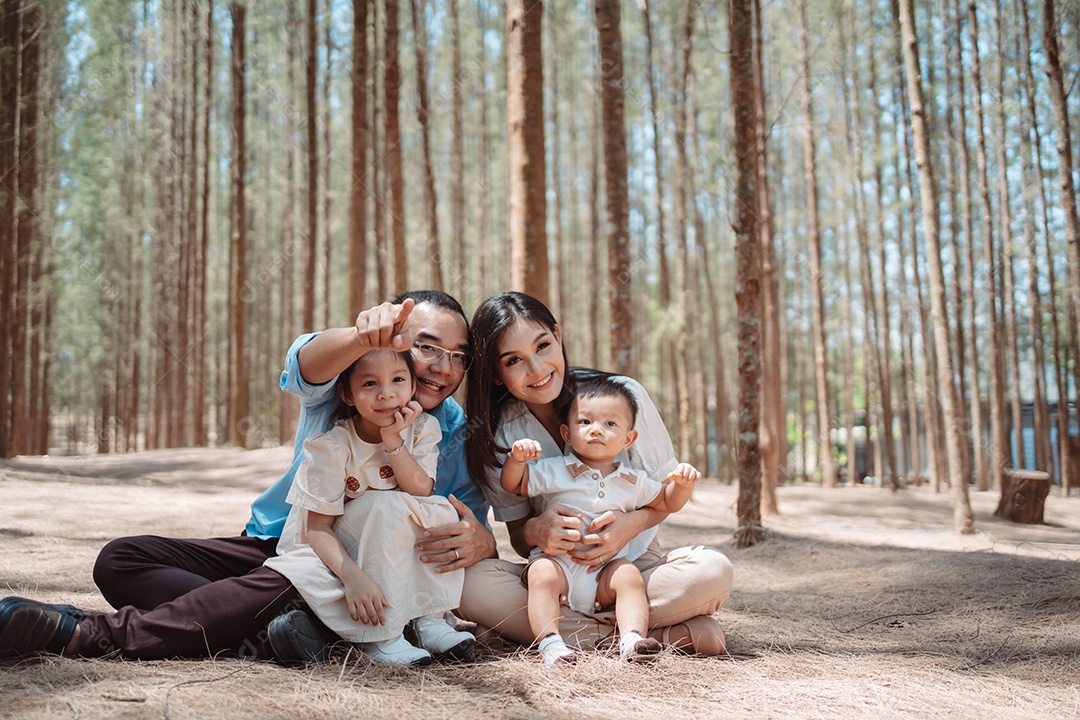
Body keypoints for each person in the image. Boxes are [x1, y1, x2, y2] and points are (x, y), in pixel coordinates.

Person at [0, 291, 497, 661]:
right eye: (428, 347)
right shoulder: (349, 384)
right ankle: (286, 631)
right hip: (279, 541)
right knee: (120, 559)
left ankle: (91, 634)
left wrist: (481, 541)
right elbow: (304, 362)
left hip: (354, 564)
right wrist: (358, 338)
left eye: (458, 357)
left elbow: (471, 534)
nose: (442, 367)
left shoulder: (455, 433)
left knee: (291, 582)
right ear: (396, 342)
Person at [458, 291, 733, 656]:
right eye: (514, 361)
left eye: (543, 346)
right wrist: (537, 530)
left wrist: (628, 527)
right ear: (495, 374)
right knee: (467, 584)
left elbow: (664, 497)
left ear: (558, 335)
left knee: (711, 571)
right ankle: (653, 636)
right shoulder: (500, 433)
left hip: (633, 568)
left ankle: (551, 632)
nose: (537, 369)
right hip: (557, 575)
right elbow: (520, 538)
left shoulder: (621, 397)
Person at [265, 348, 474, 666]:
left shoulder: (422, 429)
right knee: (383, 503)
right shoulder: (333, 445)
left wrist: (393, 440)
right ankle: (382, 637)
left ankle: (429, 621)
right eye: (369, 384)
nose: (387, 393)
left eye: (398, 380)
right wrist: (353, 577)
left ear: (413, 386)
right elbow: (316, 528)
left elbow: (419, 488)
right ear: (348, 395)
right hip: (336, 549)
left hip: (385, 540)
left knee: (439, 509)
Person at [500, 375, 703, 665]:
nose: (596, 430)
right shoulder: (556, 469)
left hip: (604, 575)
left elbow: (668, 502)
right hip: (561, 568)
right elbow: (514, 484)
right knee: (540, 573)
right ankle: (551, 644)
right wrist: (516, 461)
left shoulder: (633, 480)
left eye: (610, 424)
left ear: (628, 439)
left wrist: (682, 485)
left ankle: (631, 639)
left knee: (629, 576)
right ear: (567, 434)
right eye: (585, 422)